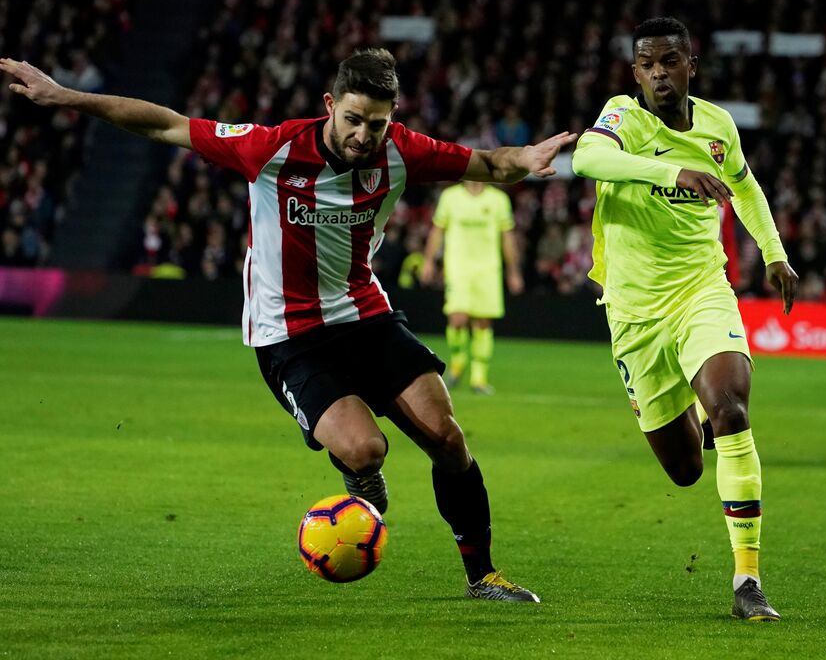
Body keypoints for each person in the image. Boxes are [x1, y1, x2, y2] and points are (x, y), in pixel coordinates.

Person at [2, 50, 576, 602]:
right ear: (330, 105)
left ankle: (483, 574)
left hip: (365, 315)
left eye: (375, 125)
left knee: (449, 441)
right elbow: (165, 126)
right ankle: (359, 475)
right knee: (366, 449)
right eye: (352, 120)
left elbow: (490, 163)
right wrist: (65, 96)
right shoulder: (271, 148)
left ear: (391, 120)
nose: (362, 136)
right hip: (288, 335)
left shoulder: (402, 151)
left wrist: (524, 157)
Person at [571, 17, 798, 621]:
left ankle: (747, 581)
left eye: (669, 61)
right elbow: (586, 159)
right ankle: (684, 407)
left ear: (690, 64)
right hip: (634, 312)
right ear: (635, 71)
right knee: (685, 470)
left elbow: (745, 189)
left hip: (702, 288)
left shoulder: (719, 126)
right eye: (647, 63)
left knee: (732, 407)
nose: (658, 74)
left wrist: (774, 254)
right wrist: (671, 171)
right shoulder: (622, 116)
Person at [420, 180, 523, 394]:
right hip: (458, 266)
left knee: (483, 322)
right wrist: (428, 261)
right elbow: (437, 231)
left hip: (488, 269)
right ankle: (458, 363)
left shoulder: (498, 199)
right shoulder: (450, 197)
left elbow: (507, 237)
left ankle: (479, 378)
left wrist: (513, 271)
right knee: (457, 318)